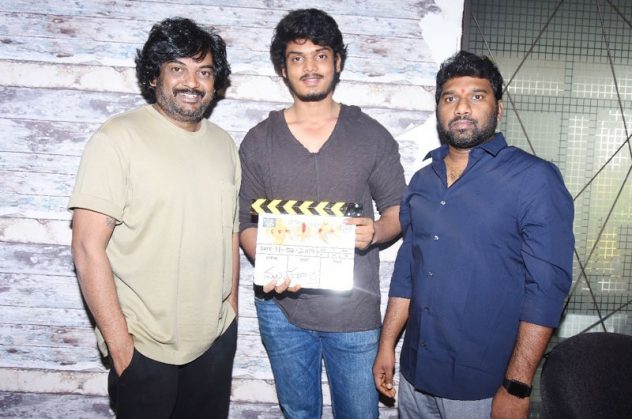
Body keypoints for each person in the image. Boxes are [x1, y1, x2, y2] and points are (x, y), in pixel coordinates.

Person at [373, 51, 574, 419]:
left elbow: (547, 290)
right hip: (415, 377)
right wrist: (387, 345)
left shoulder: (535, 179)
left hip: (484, 390)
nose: (462, 107)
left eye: (477, 96)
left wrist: (517, 385)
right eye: (450, 97)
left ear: (499, 109)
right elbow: (406, 274)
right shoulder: (421, 182)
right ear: (439, 109)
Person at [238, 8, 405, 419]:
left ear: (338, 62)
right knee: (298, 414)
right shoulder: (258, 141)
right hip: (281, 310)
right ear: (283, 68)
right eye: (297, 57)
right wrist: (270, 260)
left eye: (321, 55)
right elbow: (244, 224)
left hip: (354, 312)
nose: (310, 67)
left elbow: (399, 211)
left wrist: (376, 230)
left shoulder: (371, 135)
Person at [69, 18, 239, 419]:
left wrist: (230, 310)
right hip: (143, 347)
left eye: (204, 71)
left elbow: (230, 233)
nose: (192, 82)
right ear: (153, 76)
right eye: (178, 68)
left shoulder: (224, 144)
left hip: (214, 341)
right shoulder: (116, 138)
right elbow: (87, 247)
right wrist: (121, 347)